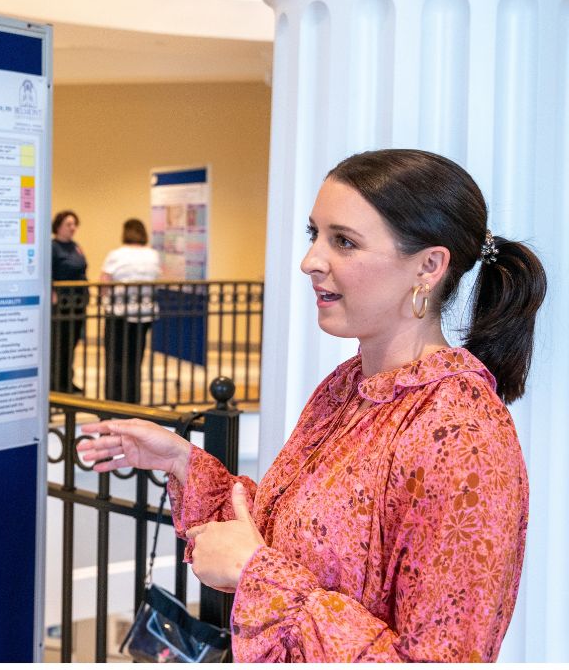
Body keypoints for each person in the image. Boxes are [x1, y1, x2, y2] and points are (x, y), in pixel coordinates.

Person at [78, 148, 547, 662]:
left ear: (429, 266)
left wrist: (258, 576)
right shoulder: (347, 384)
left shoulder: (463, 437)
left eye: (343, 241)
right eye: (314, 235)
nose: (310, 262)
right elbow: (290, 533)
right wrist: (179, 461)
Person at [100, 218, 162, 403]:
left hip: (119, 312)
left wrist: (106, 300)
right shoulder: (153, 255)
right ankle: (132, 399)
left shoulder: (116, 255)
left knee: (116, 359)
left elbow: (104, 282)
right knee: (136, 358)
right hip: (144, 313)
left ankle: (114, 399)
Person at [50, 210, 88, 393]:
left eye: (74, 224)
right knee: (60, 344)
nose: (73, 228)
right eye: (68, 224)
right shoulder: (53, 247)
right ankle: (57, 382)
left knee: (72, 343)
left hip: (78, 302)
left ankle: (67, 380)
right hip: (61, 303)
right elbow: (47, 272)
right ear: (58, 226)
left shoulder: (76, 246)